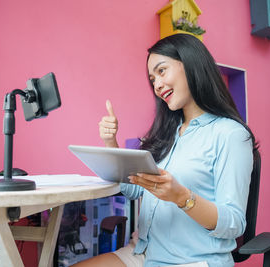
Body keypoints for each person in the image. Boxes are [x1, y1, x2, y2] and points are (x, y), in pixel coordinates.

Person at [72, 33, 258, 267]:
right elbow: (133, 189)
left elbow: (234, 224)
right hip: (144, 253)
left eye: (162, 71)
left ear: (191, 64)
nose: (157, 85)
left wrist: (182, 197)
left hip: (191, 261)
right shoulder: (167, 134)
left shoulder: (230, 134)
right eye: (152, 80)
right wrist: (111, 142)